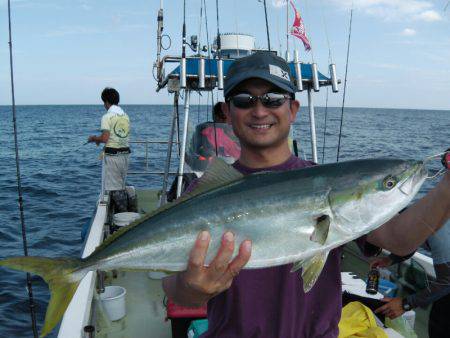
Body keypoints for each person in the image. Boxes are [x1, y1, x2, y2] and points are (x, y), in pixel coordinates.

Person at [162, 51, 450, 337]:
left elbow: (399, 240)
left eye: (273, 99)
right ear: (227, 113)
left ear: (293, 109)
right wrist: (190, 288)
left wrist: (447, 185)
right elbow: (175, 290)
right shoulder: (203, 191)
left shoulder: (329, 183)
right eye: (244, 100)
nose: (260, 111)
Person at [373, 220, 450, 338]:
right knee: (436, 325)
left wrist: (405, 304)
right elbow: (414, 241)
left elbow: (447, 281)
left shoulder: (440, 227)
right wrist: (390, 259)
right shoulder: (418, 217)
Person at [88, 87, 131, 211]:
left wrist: (94, 138)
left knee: (114, 189)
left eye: (104, 102)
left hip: (113, 157)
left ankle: (124, 218)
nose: (104, 105)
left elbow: (105, 138)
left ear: (106, 102)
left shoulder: (107, 117)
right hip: (125, 155)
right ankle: (123, 212)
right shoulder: (125, 116)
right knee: (120, 186)